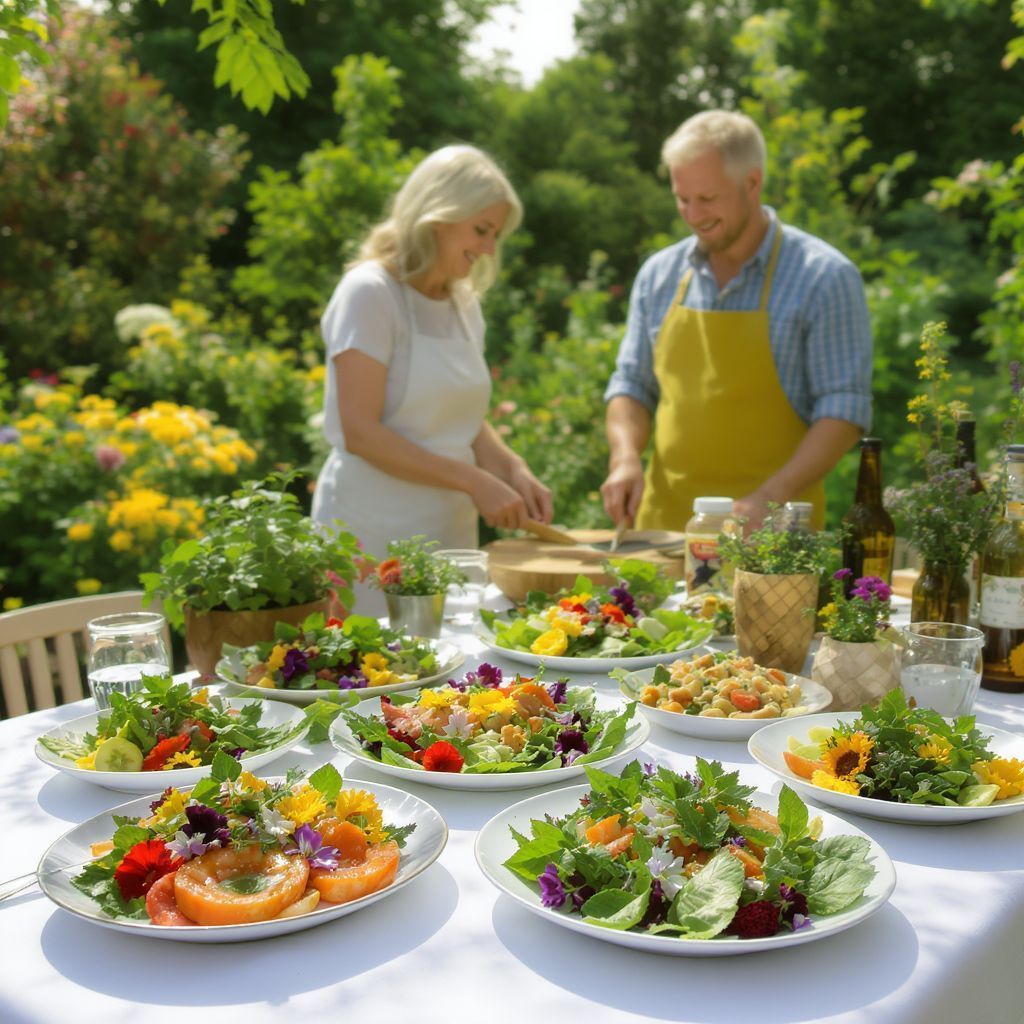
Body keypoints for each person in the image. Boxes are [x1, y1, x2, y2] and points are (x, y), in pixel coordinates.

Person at [601, 111, 872, 533]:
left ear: (752, 182)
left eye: (707, 199)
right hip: (663, 531)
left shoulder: (824, 277)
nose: (692, 214)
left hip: (774, 537)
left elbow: (843, 411)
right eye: (682, 198)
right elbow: (632, 385)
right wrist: (624, 458)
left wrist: (770, 497)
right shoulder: (659, 275)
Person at [312, 145, 552, 609]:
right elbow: (360, 431)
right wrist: (474, 480)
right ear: (436, 216)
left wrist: (511, 469)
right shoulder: (370, 292)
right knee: (364, 674)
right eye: (481, 230)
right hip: (369, 532)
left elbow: (457, 416)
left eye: (495, 235)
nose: (487, 249)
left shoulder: (464, 305)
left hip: (448, 535)